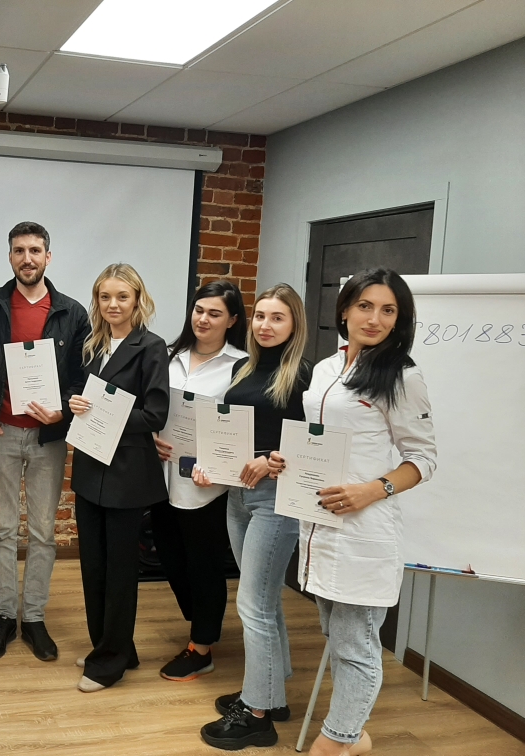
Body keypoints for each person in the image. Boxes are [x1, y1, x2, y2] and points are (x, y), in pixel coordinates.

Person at [270, 268, 436, 756]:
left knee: (356, 643)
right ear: (344, 310)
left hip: (365, 529)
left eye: (388, 310)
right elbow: (321, 440)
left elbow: (423, 459)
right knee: (333, 632)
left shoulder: (403, 376)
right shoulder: (326, 368)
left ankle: (336, 742)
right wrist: (287, 460)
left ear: (399, 318)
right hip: (318, 524)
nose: (375, 318)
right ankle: (357, 736)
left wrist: (372, 489)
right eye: (365, 306)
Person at [198, 284, 312, 750]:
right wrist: (210, 464)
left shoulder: (302, 375)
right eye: (261, 316)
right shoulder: (244, 368)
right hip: (238, 496)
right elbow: (234, 433)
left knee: (253, 605)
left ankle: (258, 715)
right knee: (263, 598)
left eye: (277, 317)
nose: (266, 325)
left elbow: (314, 442)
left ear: (294, 324)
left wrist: (270, 459)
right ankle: (271, 693)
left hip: (276, 499)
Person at [0, 221, 90, 662]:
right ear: (10, 257)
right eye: (19, 250)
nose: (27, 258)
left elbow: (80, 376)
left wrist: (62, 410)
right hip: (0, 431)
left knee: (43, 531)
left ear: (48, 257)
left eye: (35, 250)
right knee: (2, 529)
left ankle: (35, 617)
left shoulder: (72, 312)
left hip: (48, 437)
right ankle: (5, 616)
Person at [68, 263, 169, 693]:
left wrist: (106, 414)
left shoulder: (151, 346)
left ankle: (109, 664)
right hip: (90, 468)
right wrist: (76, 403)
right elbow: (81, 397)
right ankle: (111, 647)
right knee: (93, 566)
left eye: (122, 297)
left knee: (120, 573)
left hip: (127, 475)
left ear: (137, 300)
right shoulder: (92, 344)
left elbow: (155, 414)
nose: (113, 304)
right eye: (105, 297)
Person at [151, 280, 247, 681]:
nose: (203, 319)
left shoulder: (241, 366)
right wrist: (150, 436)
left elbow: (242, 428)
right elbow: (151, 407)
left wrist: (219, 463)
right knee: (171, 559)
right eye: (199, 310)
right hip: (161, 477)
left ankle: (202, 645)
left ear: (232, 320)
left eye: (214, 313)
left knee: (204, 564)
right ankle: (204, 622)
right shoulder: (167, 356)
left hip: (208, 484)